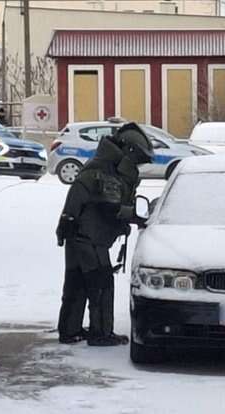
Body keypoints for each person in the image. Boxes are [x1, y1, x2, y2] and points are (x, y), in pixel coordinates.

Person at [55, 123, 153, 346]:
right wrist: (137, 217)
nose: (140, 164)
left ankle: (70, 331)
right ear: (129, 152)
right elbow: (111, 207)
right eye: (139, 158)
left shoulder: (103, 166)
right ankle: (100, 333)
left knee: (77, 284)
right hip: (90, 238)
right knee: (101, 283)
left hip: (79, 235)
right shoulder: (108, 171)